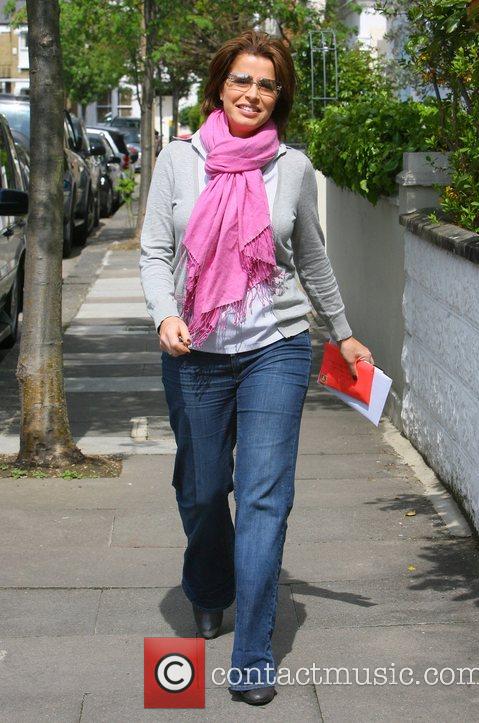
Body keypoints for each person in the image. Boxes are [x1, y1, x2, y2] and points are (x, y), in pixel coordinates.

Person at [140, 29, 374, 706]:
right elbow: (156, 251)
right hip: (196, 352)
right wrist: (164, 314)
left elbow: (313, 256)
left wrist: (346, 334)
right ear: (219, 86)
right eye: (241, 80)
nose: (252, 93)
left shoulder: (293, 168)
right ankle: (208, 585)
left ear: (279, 98)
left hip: (276, 346)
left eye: (267, 85)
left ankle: (252, 654)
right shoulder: (180, 162)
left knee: (266, 495)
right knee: (207, 488)